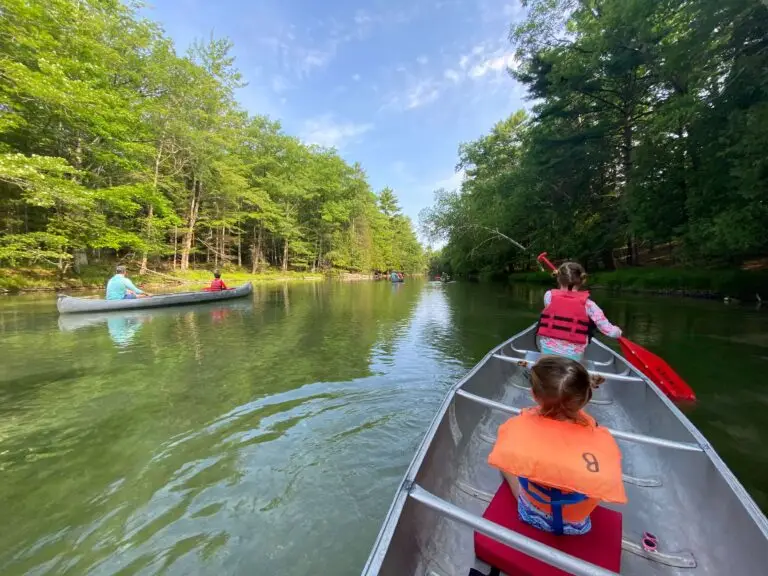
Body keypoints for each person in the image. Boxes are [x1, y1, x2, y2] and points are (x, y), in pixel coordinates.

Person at [488, 356, 626, 535]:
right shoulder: (603, 440)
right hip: (578, 526)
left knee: (507, 466)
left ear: (534, 396)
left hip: (531, 514)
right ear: (585, 398)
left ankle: (526, 500)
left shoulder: (520, 426)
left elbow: (506, 454)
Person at [537, 262, 621, 360]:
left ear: (558, 278)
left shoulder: (548, 296)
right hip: (573, 355)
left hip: (547, 350)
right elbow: (610, 331)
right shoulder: (589, 305)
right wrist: (618, 332)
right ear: (583, 281)